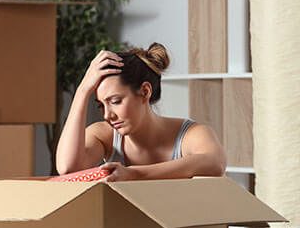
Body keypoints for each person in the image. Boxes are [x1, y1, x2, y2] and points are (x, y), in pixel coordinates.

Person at [55, 42, 226, 182]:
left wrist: (135, 174)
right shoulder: (105, 135)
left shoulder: (191, 134)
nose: (107, 115)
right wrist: (82, 90)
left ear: (145, 92)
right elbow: (68, 168)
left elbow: (215, 163)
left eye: (115, 101)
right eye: (101, 105)